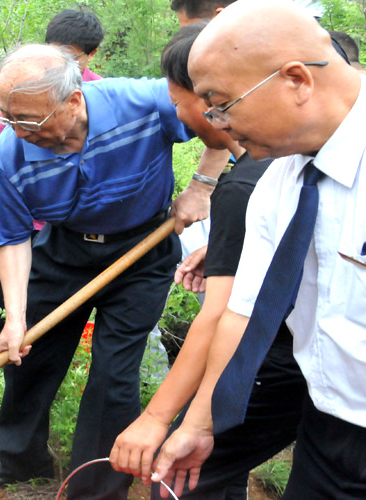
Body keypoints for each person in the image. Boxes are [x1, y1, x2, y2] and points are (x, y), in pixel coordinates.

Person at [0, 44, 222, 498]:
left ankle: (93, 489)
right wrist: (17, 318)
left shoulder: (142, 103)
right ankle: (22, 461)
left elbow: (218, 112)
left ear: (74, 100)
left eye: (30, 120)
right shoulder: (11, 153)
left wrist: (203, 184)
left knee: (114, 374)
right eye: (9, 117)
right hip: (64, 250)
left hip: (142, 250)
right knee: (28, 355)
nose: (18, 131)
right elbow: (11, 238)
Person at [149, 2, 366, 498]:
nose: (218, 124)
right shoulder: (281, 181)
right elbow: (240, 314)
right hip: (327, 425)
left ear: (296, 80)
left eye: (221, 102)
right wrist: (200, 424)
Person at [108, 23, 305, 500]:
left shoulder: (243, 187)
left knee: (180, 477)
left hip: (271, 362)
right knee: (221, 473)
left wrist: (157, 418)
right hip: (303, 359)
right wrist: (222, 249)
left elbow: (220, 316)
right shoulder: (282, 167)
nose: (178, 113)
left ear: (210, 97)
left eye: (178, 102)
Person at [45, 8, 105, 82]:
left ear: (91, 54)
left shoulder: (100, 90)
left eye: (70, 57)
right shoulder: (32, 81)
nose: (60, 63)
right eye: (55, 54)